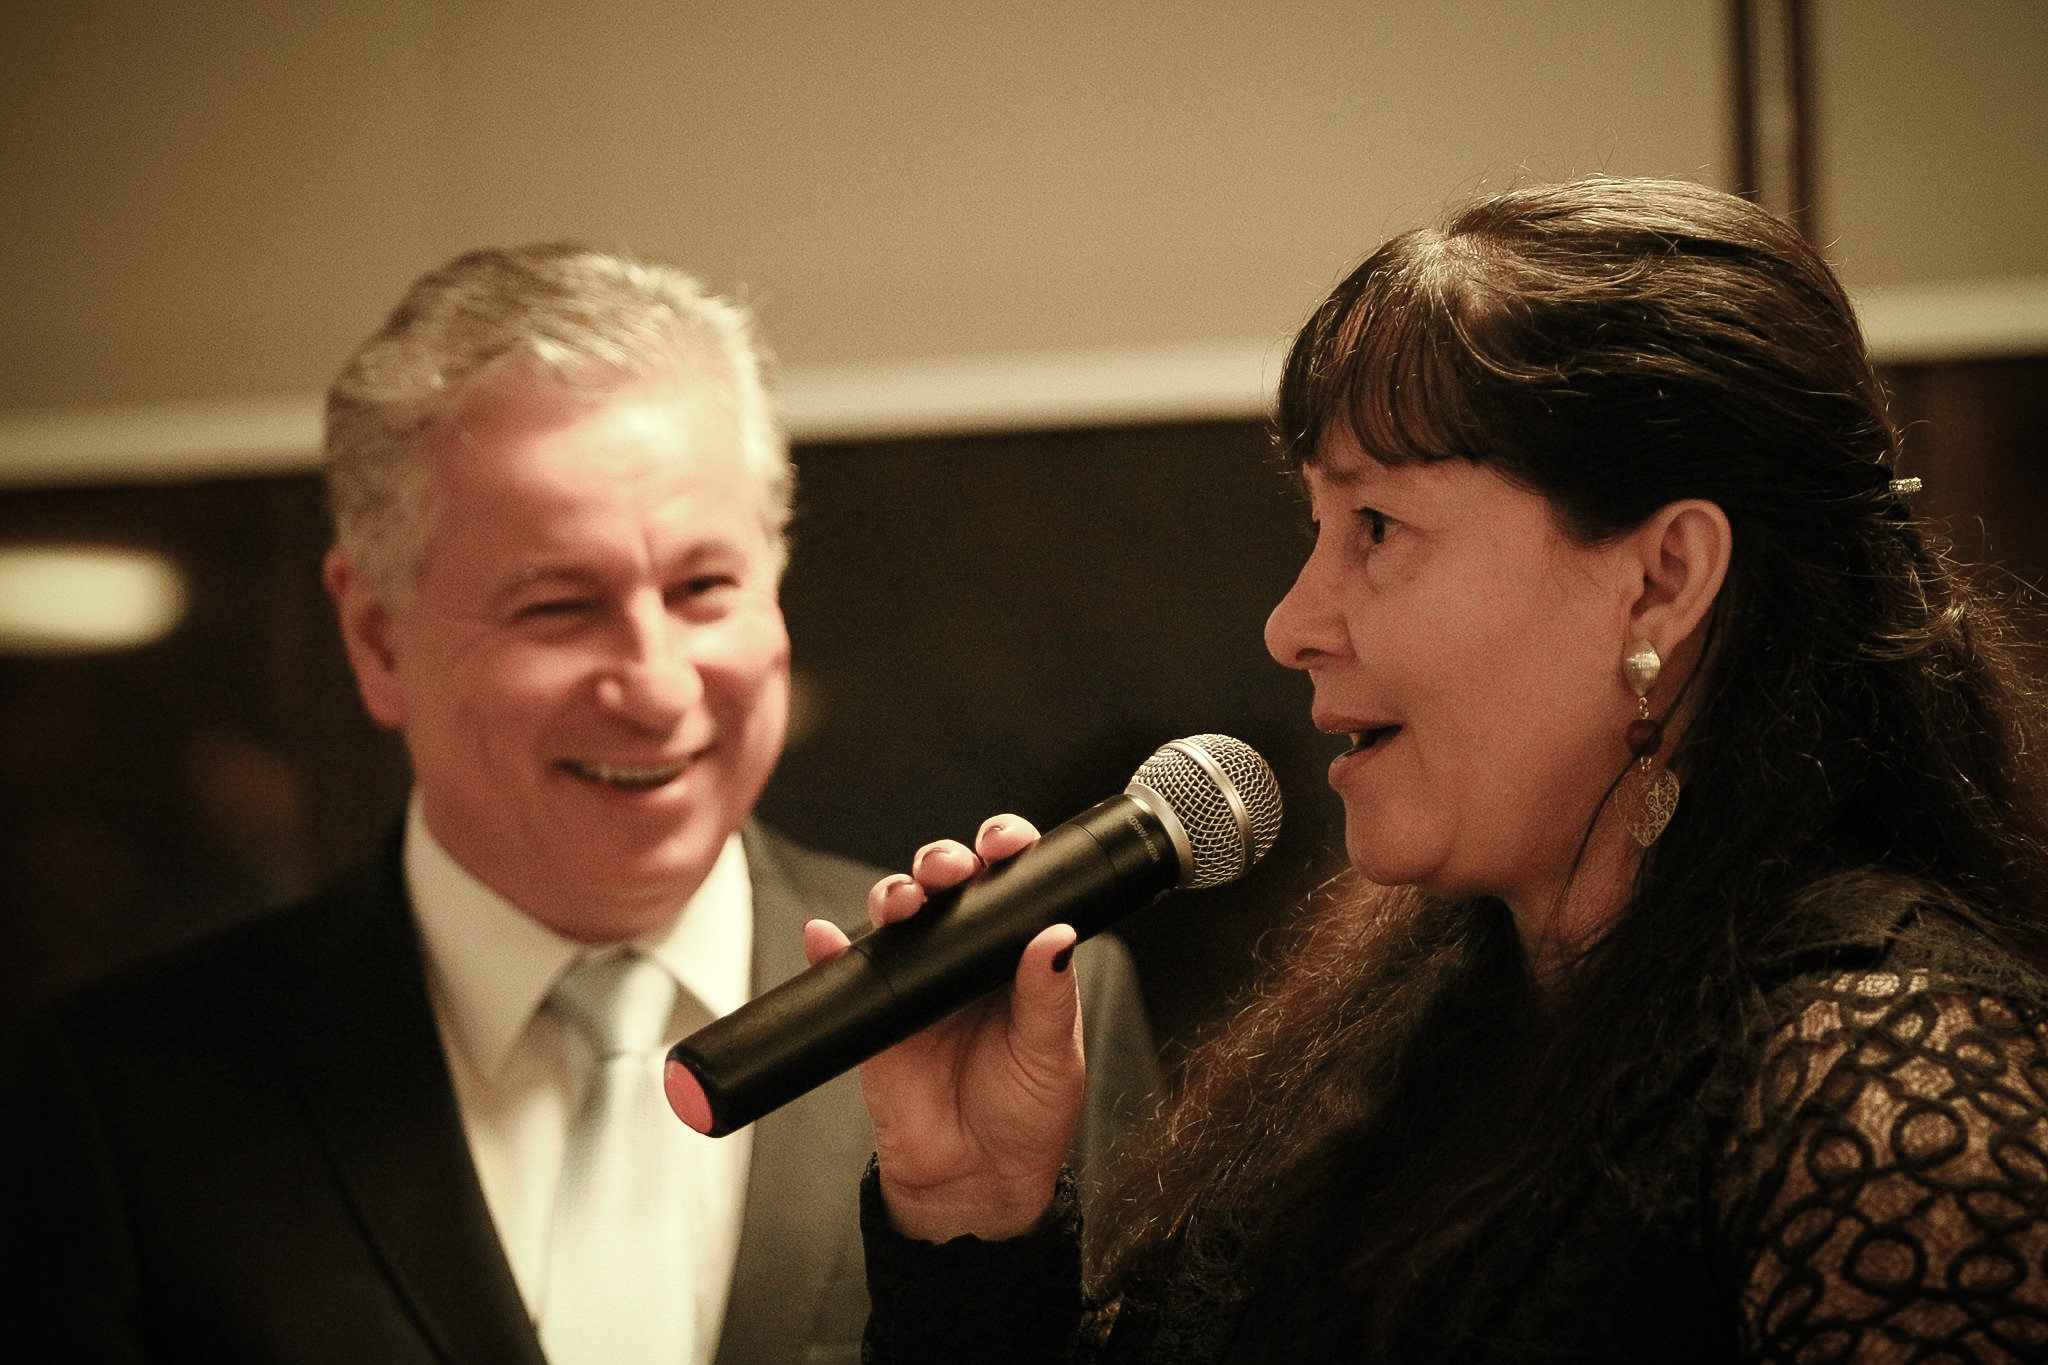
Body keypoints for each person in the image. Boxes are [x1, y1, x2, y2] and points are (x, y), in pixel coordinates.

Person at [825, 177, 2048, 1363]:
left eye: (1376, 526)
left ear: (1662, 579)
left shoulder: (1887, 1076)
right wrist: (972, 1206)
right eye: (1314, 526)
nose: (1291, 623)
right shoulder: (1418, 1024)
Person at [0, 243, 1158, 1364]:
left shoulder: (1010, 1008)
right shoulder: (123, 1102)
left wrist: (966, 1234)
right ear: (374, 637)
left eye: (703, 587)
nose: (656, 688)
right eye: (558, 606)